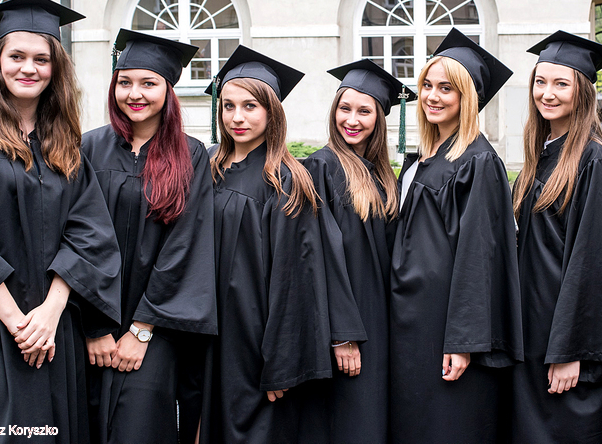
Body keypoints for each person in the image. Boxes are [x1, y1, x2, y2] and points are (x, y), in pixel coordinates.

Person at [0, 0, 121, 442]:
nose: (28, 68)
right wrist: (20, 323)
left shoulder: (65, 146)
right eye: (16, 56)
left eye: (41, 59)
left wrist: (50, 313)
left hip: (52, 333)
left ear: (56, 69)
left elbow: (89, 236)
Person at [82, 30, 217, 444]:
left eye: (148, 83)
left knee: (139, 425)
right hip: (88, 320)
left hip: (156, 323)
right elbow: (74, 235)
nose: (134, 94)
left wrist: (142, 330)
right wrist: (94, 327)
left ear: (168, 91)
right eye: (125, 82)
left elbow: (186, 243)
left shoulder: (190, 154)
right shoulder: (87, 148)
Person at [390, 28, 523, 443]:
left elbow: (479, 255)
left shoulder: (478, 162)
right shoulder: (425, 158)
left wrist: (464, 340)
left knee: (449, 424)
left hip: (444, 325)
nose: (432, 96)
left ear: (468, 99)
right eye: (427, 85)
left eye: (446, 88)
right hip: (411, 320)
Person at [200, 46, 336, 444]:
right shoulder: (206, 166)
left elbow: (296, 278)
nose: (237, 117)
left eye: (250, 106)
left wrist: (283, 360)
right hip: (205, 330)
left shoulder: (285, 179)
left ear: (272, 111)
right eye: (228, 106)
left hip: (253, 337)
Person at [511, 31, 602, 443]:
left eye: (561, 84)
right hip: (533, 329)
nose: (547, 93)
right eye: (540, 82)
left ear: (582, 91)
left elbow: (595, 260)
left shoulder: (591, 159)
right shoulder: (542, 152)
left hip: (562, 337)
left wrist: (571, 350)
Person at [303, 60, 415, 444]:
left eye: (364, 111)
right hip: (348, 330)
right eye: (344, 109)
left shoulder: (383, 176)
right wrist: (341, 334)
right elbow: (320, 256)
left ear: (380, 119)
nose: (351, 120)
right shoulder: (321, 167)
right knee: (351, 422)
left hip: (380, 324)